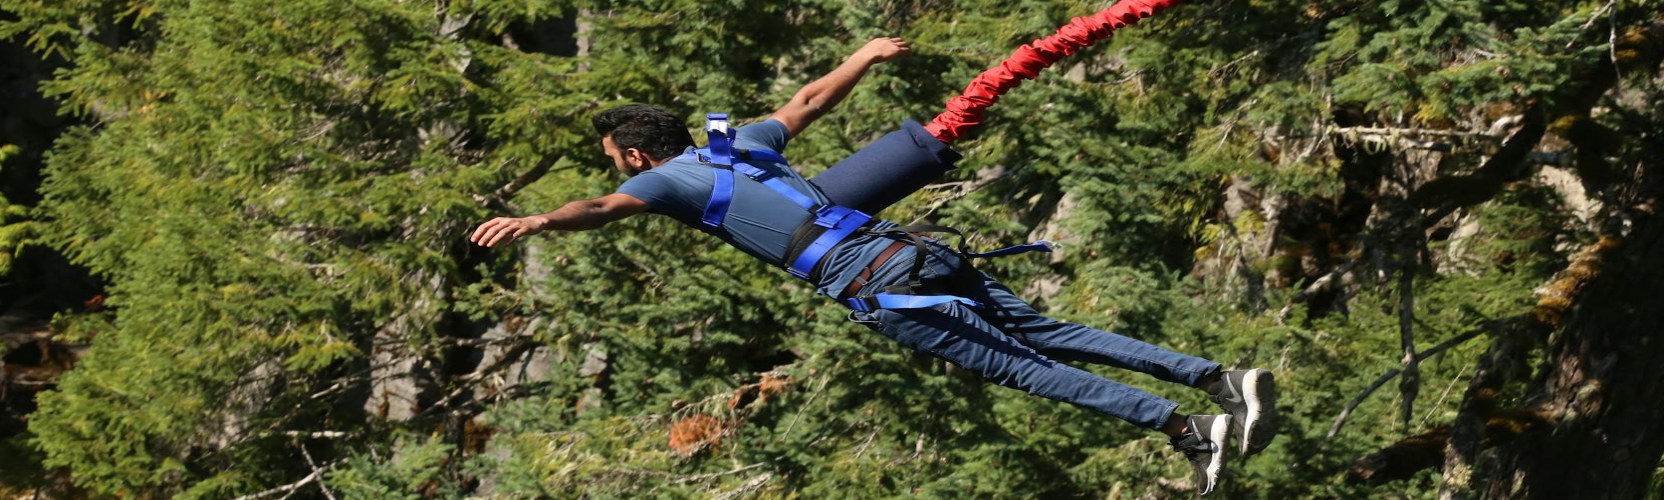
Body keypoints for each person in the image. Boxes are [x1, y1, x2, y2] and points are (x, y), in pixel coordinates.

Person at [469, 37, 1276, 496]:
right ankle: (1212, 380)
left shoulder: (659, 181)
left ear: (637, 154)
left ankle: (1187, 427)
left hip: (875, 281)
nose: (618, 171)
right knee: (1049, 332)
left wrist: (540, 217)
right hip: (914, 253)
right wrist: (866, 54)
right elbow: (811, 99)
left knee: (1027, 369)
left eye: (616, 158)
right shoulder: (739, 144)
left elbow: (601, 210)